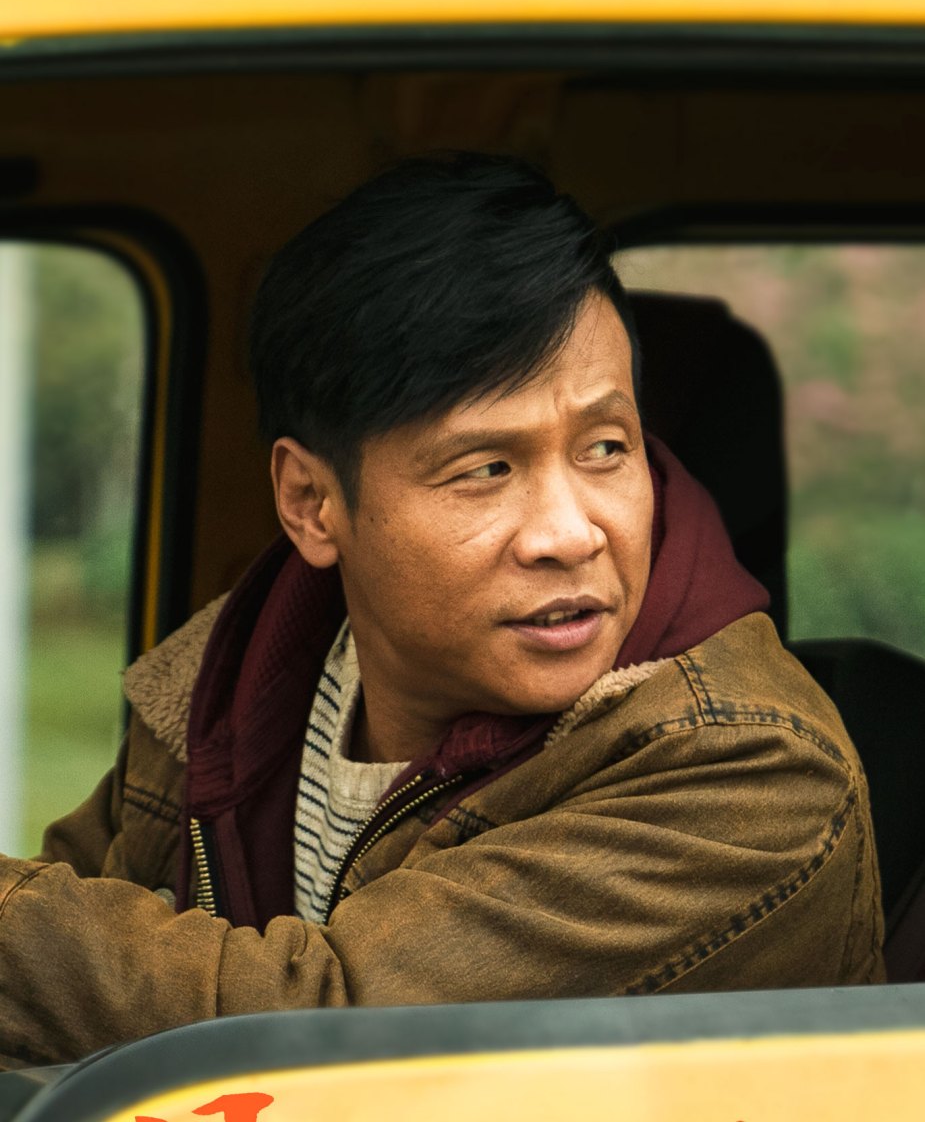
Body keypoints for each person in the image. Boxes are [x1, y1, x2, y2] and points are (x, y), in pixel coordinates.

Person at [0, 154, 884, 1068]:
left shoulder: (750, 772)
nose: (569, 534)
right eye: (486, 469)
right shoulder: (232, 673)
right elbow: (55, 955)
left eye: (605, 449)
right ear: (311, 502)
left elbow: (323, 1031)